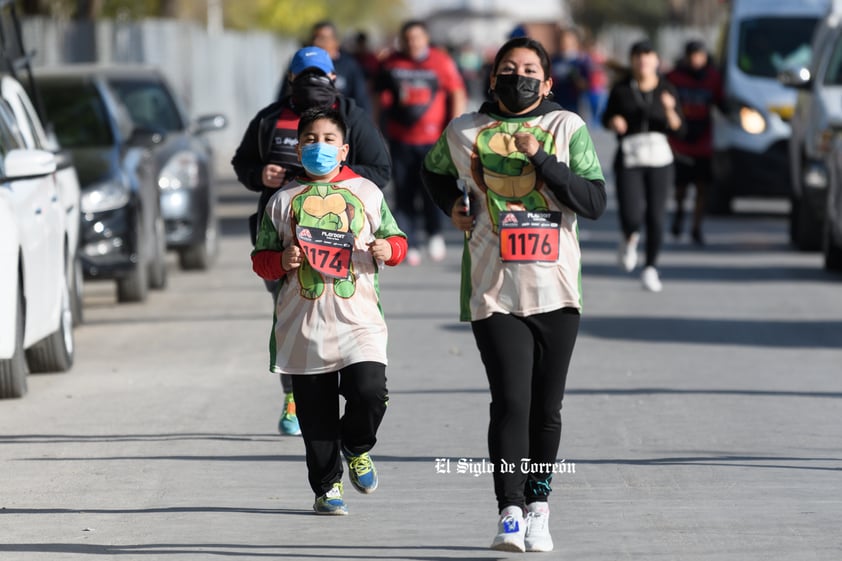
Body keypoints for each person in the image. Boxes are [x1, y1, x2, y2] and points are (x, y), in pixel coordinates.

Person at [422, 36, 606, 552]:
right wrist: (453, 208)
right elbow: (432, 171)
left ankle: (540, 508)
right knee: (511, 402)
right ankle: (509, 510)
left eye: (529, 70)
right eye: (508, 68)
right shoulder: (465, 132)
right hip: (494, 290)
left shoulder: (566, 127)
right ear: (492, 77)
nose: (518, 76)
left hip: (557, 291)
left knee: (546, 410)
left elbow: (592, 201)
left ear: (547, 83)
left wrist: (543, 159)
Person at [251, 107, 407, 515]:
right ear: (297, 148)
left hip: (359, 319)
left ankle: (357, 447)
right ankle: (326, 487)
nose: (318, 147)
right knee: (315, 414)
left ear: (344, 149)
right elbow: (260, 258)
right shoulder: (281, 200)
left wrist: (387, 250)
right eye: (309, 140)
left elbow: (397, 240)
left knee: (370, 391)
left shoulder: (367, 193)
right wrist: (281, 261)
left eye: (328, 140)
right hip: (303, 322)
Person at [231, 46, 391, 436]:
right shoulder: (270, 118)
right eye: (304, 77)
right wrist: (262, 175)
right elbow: (242, 162)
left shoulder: (350, 118)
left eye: (320, 76)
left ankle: (351, 388)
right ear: (290, 81)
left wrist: (328, 172)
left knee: (345, 314)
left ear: (334, 79)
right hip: (285, 240)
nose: (312, 84)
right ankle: (294, 391)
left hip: (344, 244)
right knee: (290, 310)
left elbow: (380, 169)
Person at [374, 19, 467, 266]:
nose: (412, 43)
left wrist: (454, 128)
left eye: (417, 38)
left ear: (425, 39)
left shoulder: (440, 61)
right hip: (400, 137)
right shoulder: (391, 63)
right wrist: (376, 128)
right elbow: (377, 96)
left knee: (432, 190)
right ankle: (410, 241)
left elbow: (457, 91)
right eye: (407, 38)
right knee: (404, 191)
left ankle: (434, 233)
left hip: (433, 140)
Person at [602, 39, 684, 292]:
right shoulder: (622, 89)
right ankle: (629, 237)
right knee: (631, 213)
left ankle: (650, 267)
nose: (643, 61)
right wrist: (614, 120)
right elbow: (606, 117)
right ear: (632, 61)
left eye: (648, 56)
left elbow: (680, 128)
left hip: (660, 158)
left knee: (656, 216)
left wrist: (670, 111)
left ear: (656, 61)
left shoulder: (667, 89)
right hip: (630, 156)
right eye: (638, 56)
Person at [665, 39, 723, 245]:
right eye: (693, 55)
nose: (696, 60)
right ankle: (680, 211)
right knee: (680, 187)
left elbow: (721, 102)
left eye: (700, 55)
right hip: (680, 142)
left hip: (703, 142)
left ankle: (696, 227)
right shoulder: (674, 77)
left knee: (702, 188)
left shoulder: (713, 78)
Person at [277, 21, 372, 115]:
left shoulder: (349, 65)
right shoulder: (300, 63)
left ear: (335, 42)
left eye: (322, 38)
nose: (316, 42)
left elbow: (361, 100)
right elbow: (283, 97)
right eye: (314, 37)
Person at [549, 27, 590, 114]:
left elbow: (585, 86)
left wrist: (575, 77)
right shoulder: (553, 60)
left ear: (575, 42)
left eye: (568, 40)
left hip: (574, 106)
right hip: (555, 104)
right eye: (562, 40)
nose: (565, 43)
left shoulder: (581, 61)